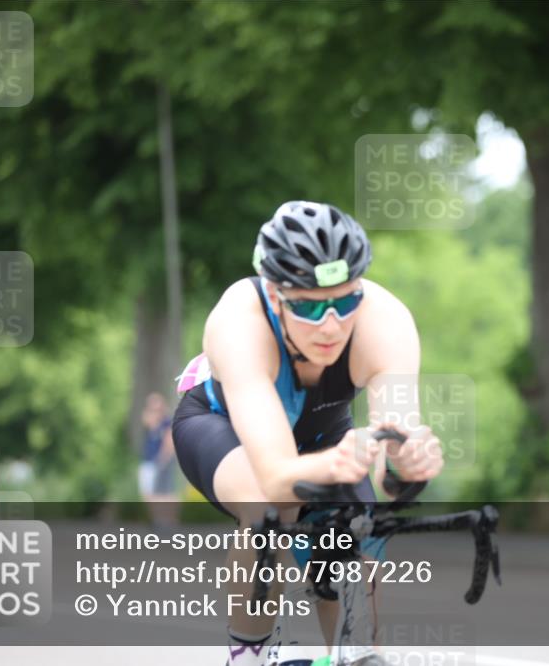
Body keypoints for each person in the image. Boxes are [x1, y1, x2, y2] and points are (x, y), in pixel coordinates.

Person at [172, 201, 444, 666]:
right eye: (310, 308)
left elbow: (395, 468)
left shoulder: (385, 322)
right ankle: (250, 654)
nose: (331, 324)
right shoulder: (240, 320)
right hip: (223, 428)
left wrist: (406, 463)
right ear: (275, 296)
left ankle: (355, 652)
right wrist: (333, 466)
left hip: (322, 435)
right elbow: (278, 476)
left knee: (357, 529)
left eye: (344, 302)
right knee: (268, 511)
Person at [138, 392, 179, 526]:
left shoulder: (167, 422)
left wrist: (163, 459)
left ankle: (169, 520)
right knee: (149, 493)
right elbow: (147, 420)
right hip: (148, 460)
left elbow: (169, 441)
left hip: (162, 461)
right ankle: (157, 520)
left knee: (166, 492)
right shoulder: (152, 422)